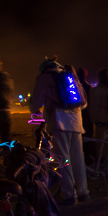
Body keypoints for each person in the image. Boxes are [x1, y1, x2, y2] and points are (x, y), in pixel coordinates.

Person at [30, 57, 89, 205]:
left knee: (64, 160)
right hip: (76, 120)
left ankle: (69, 195)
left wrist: (36, 111)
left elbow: (35, 102)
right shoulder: (69, 75)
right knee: (77, 158)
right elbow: (83, 103)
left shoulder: (44, 78)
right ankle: (83, 193)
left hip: (59, 121)